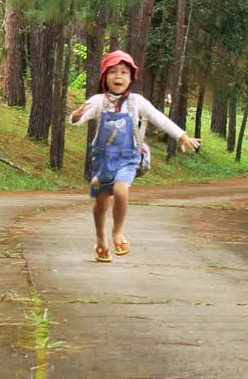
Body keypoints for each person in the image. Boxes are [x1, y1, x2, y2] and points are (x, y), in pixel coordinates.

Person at [71, 50, 199, 262]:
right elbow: (78, 118)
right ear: (105, 77)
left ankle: (117, 233)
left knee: (121, 190)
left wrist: (182, 136)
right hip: (102, 161)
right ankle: (100, 240)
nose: (118, 76)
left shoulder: (137, 102)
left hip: (128, 158)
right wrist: (75, 116)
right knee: (101, 203)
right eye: (112, 72)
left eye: (123, 72)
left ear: (131, 78)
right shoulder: (98, 101)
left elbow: (159, 118)